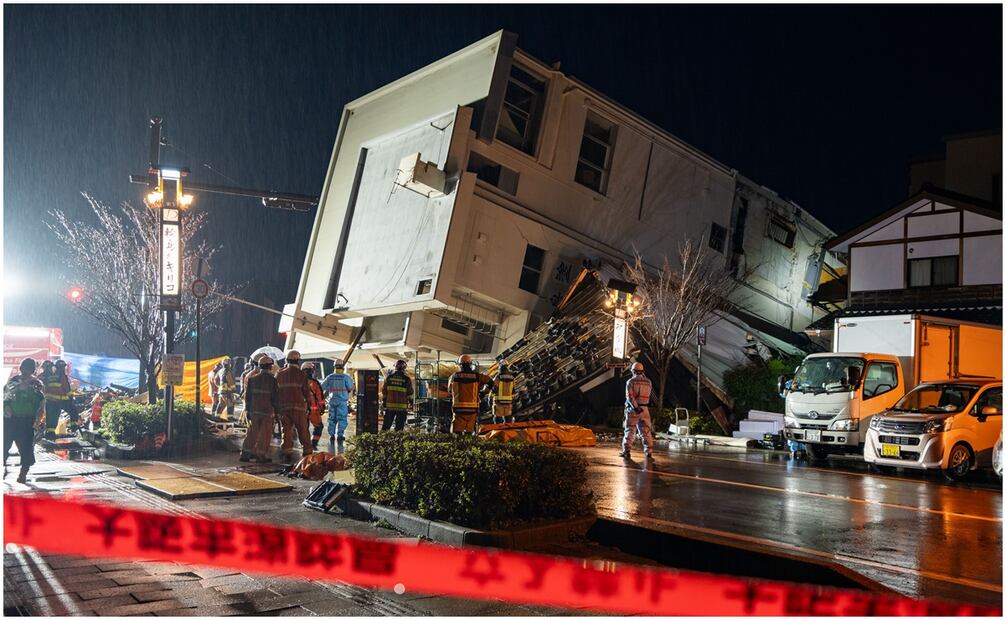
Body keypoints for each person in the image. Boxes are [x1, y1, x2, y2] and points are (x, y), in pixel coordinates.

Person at [4, 358, 46, 483]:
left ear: (32, 370)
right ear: (21, 368)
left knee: (26, 448)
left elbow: (41, 403)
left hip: (27, 421)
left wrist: (39, 421)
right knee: (4, 446)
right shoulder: (14, 381)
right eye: (24, 368)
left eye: (28, 369)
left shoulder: (37, 384)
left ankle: (23, 473)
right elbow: (6, 397)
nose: (26, 371)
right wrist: (6, 408)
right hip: (11, 420)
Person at [276, 350, 313, 464]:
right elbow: (306, 392)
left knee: (286, 431)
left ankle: (287, 453)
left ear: (287, 360)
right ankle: (307, 453)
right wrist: (309, 406)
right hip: (299, 408)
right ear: (298, 360)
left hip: (284, 408)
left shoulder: (280, 374)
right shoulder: (302, 374)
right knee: (303, 430)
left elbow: (276, 391)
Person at [240, 355, 279, 463]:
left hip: (254, 411)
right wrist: (277, 412)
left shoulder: (252, 379)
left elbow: (247, 397)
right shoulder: (272, 380)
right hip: (267, 411)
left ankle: (245, 454)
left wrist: (247, 410)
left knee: (252, 432)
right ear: (269, 366)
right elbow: (275, 398)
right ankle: (260, 455)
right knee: (265, 434)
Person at [448, 354, 491, 435]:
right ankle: (469, 443)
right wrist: (483, 393)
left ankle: (458, 445)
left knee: (457, 430)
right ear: (471, 364)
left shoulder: (453, 376)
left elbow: (449, 390)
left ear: (460, 364)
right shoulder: (478, 376)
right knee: (469, 430)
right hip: (472, 408)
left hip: (458, 408)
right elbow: (491, 383)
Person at [620, 361, 654, 459]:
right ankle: (649, 452)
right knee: (646, 431)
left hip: (633, 409)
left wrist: (635, 407)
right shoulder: (648, 382)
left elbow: (630, 397)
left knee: (630, 430)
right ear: (642, 371)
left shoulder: (630, 382)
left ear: (633, 371)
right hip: (645, 409)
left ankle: (626, 451)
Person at [321, 359, 354, 444]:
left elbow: (322, 387)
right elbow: (350, 388)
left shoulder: (330, 377)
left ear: (334, 366)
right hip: (342, 401)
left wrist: (330, 389)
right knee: (342, 418)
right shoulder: (346, 377)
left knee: (332, 418)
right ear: (342, 366)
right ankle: (340, 435)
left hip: (332, 401)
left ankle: (331, 435)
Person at [42, 359, 77, 436]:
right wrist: (70, 396)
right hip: (61, 399)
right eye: (63, 367)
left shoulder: (48, 375)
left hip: (50, 400)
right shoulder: (61, 375)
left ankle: (50, 432)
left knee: (51, 416)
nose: (64, 369)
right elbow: (66, 386)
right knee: (73, 411)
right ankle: (74, 427)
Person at [381, 360, 414, 432]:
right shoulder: (406, 379)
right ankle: (397, 441)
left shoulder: (389, 378)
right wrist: (412, 403)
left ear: (395, 367)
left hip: (390, 406)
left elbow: (384, 391)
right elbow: (410, 393)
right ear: (404, 368)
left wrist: (384, 402)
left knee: (386, 426)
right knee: (399, 428)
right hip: (401, 407)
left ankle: (381, 441)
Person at [303, 362, 326, 450]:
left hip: (301, 410)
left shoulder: (298, 382)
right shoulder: (315, 383)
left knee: (304, 428)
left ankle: (305, 444)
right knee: (319, 426)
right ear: (312, 371)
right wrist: (322, 407)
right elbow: (320, 396)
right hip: (314, 411)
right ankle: (313, 444)